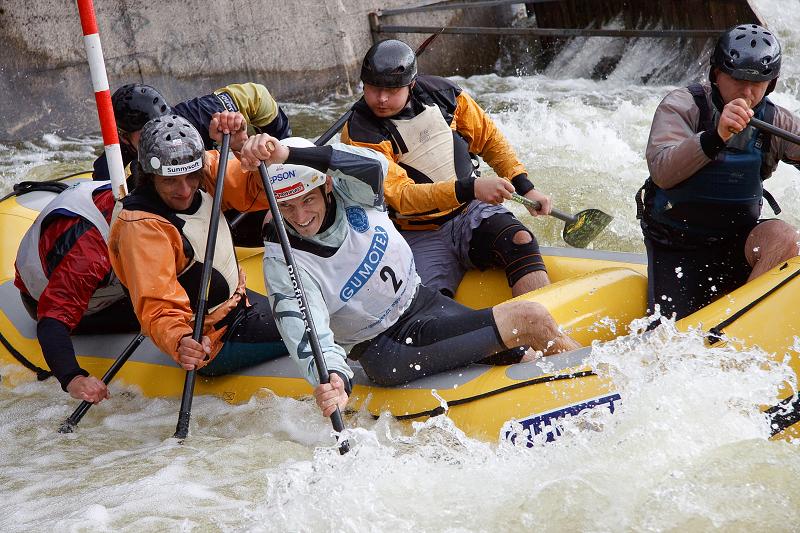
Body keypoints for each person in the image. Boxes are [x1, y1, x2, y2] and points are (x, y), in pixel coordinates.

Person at [239, 133, 581, 418]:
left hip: (424, 303)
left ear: (327, 186)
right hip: (388, 347)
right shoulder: (284, 262)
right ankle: (609, 383)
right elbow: (304, 330)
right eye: (286, 207)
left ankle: (578, 396)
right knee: (531, 319)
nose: (300, 217)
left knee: (524, 354)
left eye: (307, 200)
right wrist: (333, 377)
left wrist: (288, 153)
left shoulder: (355, 191)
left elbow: (372, 164)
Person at [341, 39, 556, 299]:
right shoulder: (360, 133)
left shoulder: (445, 95)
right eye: (373, 88)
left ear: (411, 84)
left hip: (472, 211)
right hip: (416, 232)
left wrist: (526, 187)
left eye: (391, 89)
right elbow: (402, 197)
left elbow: (488, 139)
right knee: (427, 307)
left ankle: (541, 332)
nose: (382, 98)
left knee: (521, 240)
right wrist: (472, 188)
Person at [637, 24, 800, 321]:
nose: (747, 92)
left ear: (772, 84)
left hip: (737, 244)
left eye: (758, 83)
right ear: (716, 75)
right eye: (738, 79)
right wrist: (716, 135)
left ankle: (745, 326)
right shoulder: (682, 106)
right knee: (666, 339)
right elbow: (663, 171)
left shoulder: (777, 121)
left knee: (783, 236)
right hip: (677, 247)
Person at [108, 113, 287, 374]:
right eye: (170, 181)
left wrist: (241, 149)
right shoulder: (142, 227)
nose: (184, 190)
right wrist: (181, 341)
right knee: (321, 322)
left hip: (240, 303)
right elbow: (158, 306)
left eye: (190, 177)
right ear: (150, 177)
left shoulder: (202, 170)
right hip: (210, 338)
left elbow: (258, 192)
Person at [95, 82, 292, 246]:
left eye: (164, 123)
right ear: (125, 139)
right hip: (184, 226)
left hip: (226, 205)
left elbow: (257, 96)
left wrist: (281, 147)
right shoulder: (114, 168)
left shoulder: (200, 114)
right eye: (149, 132)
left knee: (278, 219)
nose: (165, 136)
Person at [14, 180, 140, 403]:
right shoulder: (88, 255)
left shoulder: (169, 197)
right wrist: (73, 378)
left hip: (108, 276)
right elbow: (53, 319)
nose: (184, 190)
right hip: (56, 300)